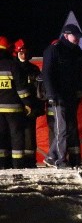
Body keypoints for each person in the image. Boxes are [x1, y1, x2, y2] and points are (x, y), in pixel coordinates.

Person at [42, 23, 82, 168]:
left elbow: (80, 74)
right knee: (61, 128)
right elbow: (47, 74)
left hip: (71, 96)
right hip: (58, 96)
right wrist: (51, 94)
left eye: (79, 37)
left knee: (68, 128)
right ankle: (60, 160)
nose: (77, 39)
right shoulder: (53, 50)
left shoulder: (76, 52)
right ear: (66, 34)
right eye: (75, 36)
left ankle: (51, 156)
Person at [0, 36, 32, 169]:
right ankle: (17, 165)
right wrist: (28, 103)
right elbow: (21, 89)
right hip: (14, 109)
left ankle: (2, 164)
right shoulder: (13, 65)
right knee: (16, 136)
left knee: (1, 137)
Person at [12, 39, 43, 168]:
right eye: (21, 53)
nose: (23, 56)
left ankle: (30, 161)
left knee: (30, 135)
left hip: (31, 108)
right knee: (16, 134)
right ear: (16, 53)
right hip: (16, 107)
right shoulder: (13, 68)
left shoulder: (34, 69)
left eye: (25, 53)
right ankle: (17, 162)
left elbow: (39, 90)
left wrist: (38, 107)